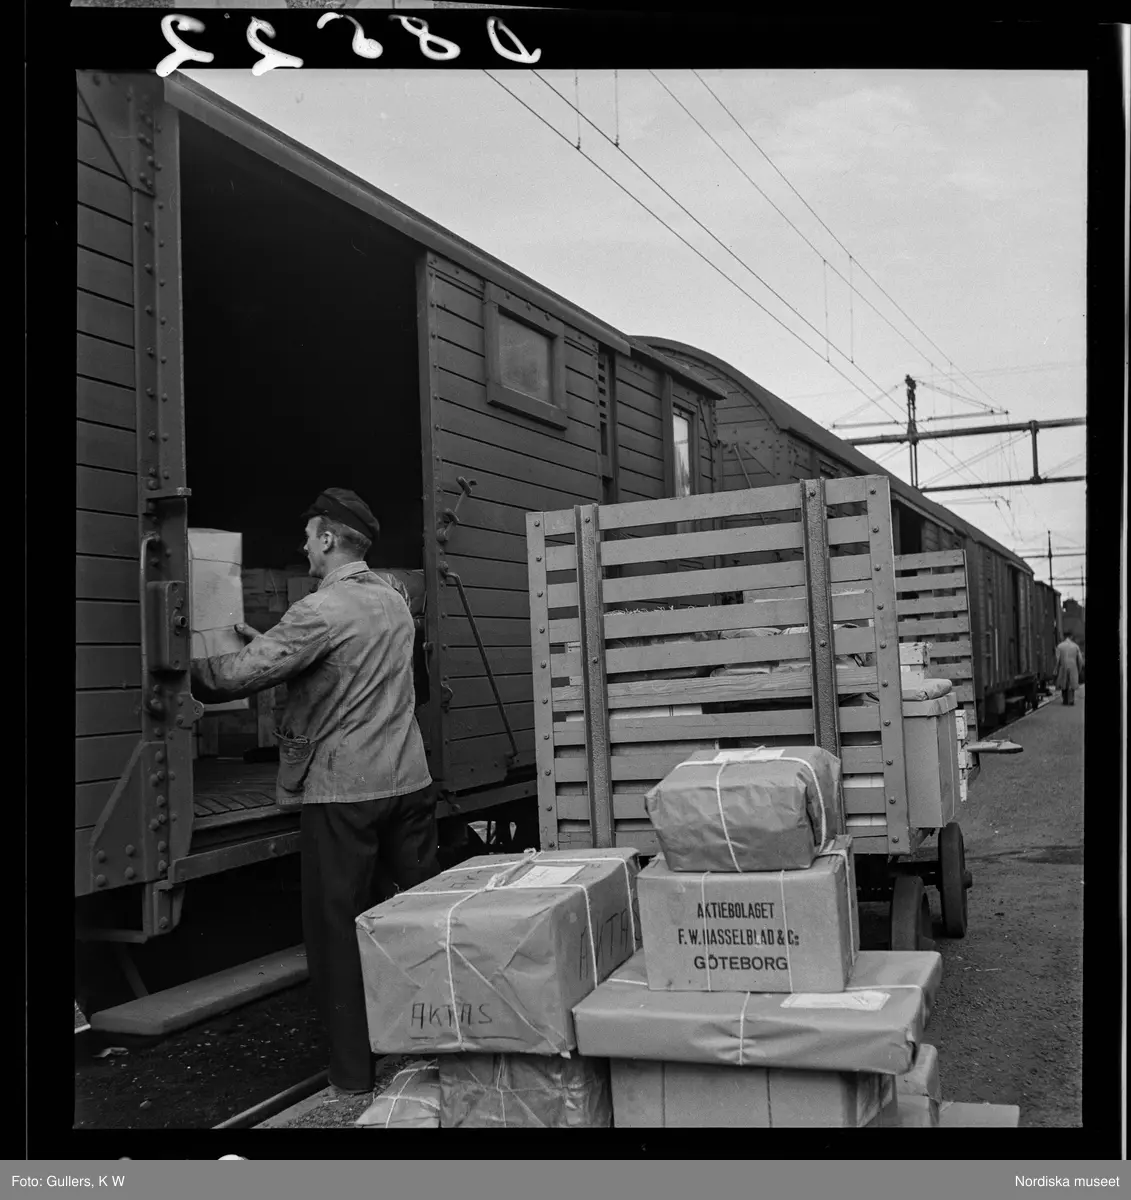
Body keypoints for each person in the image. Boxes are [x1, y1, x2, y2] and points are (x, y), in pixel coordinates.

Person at [191, 488, 437, 1097]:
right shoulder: (393, 599)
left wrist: (181, 661)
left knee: (337, 935)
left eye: (308, 537)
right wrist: (272, 641)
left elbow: (237, 676)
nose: (303, 547)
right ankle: (440, 1046)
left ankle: (353, 1074)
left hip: (345, 792)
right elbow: (346, 666)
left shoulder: (320, 609)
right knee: (419, 920)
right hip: (409, 783)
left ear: (328, 539)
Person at [1054, 632, 1085, 706]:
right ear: (1071, 637)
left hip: (1063, 666)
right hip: (1073, 666)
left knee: (1063, 684)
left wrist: (1056, 669)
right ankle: (1071, 700)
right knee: (1072, 684)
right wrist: (1079, 669)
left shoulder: (1060, 646)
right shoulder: (1075, 646)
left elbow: (1057, 659)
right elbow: (1080, 660)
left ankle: (1065, 700)